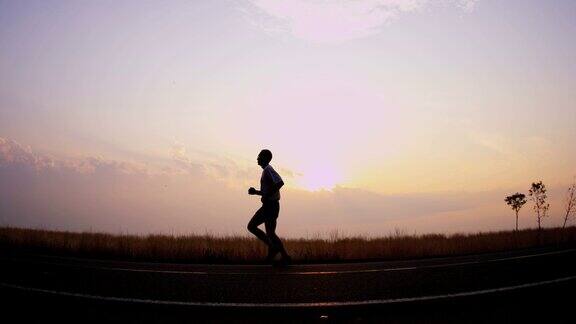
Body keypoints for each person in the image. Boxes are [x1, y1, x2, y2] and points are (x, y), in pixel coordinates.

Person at [247, 149, 291, 265]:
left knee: (251, 226)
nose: (257, 158)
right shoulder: (266, 171)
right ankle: (285, 256)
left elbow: (280, 182)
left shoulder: (268, 169)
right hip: (271, 205)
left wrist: (267, 196)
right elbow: (267, 191)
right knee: (271, 233)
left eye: (259, 156)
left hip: (270, 206)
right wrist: (256, 192)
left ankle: (273, 247)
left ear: (265, 158)